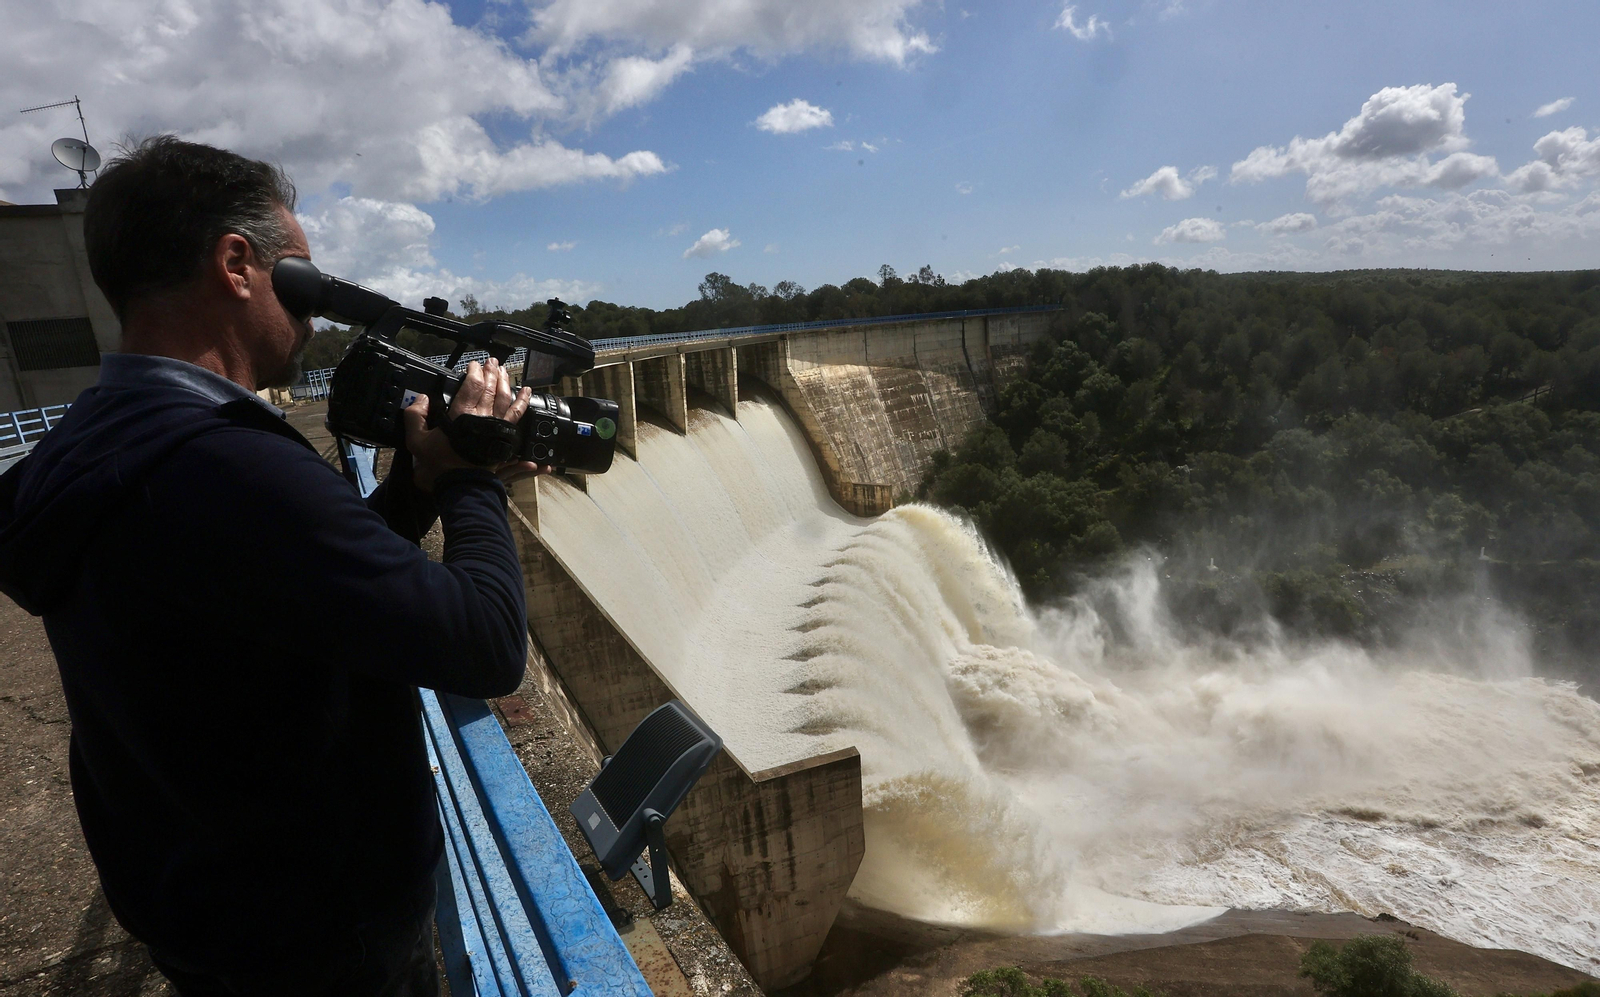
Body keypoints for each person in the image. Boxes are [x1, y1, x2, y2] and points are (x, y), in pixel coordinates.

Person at [0, 136, 544, 995]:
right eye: (306, 282)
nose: (316, 315)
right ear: (237, 265)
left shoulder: (97, 444)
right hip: (321, 935)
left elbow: (288, 588)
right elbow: (485, 643)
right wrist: (472, 476)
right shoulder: (226, 468)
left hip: (206, 906)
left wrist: (414, 487)